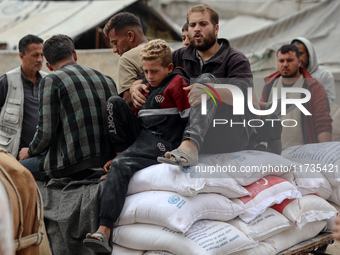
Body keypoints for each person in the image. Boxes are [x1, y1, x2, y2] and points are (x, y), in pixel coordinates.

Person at [83, 39, 191, 253]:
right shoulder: (145, 85)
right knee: (114, 102)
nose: (149, 77)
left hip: (163, 141)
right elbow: (132, 117)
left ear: (169, 68)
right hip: (142, 136)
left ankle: (104, 230)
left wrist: (184, 149)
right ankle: (121, 155)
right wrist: (136, 88)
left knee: (122, 165)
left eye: (154, 72)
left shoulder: (177, 83)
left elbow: (191, 120)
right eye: (146, 72)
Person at [131, 4, 256, 165]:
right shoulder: (177, 57)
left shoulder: (235, 59)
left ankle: (191, 145)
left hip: (228, 133)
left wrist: (211, 90)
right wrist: (135, 86)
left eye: (203, 24)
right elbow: (147, 76)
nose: (197, 29)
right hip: (182, 131)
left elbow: (244, 96)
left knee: (205, 82)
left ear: (216, 28)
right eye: (192, 25)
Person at [18, 34, 117, 181]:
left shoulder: (52, 80)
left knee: (13, 170)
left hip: (72, 163)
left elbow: (46, 133)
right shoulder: (107, 79)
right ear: (75, 55)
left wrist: (29, 151)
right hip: (107, 161)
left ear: (49, 66)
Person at [260, 44, 332, 150]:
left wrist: (324, 153)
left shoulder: (314, 88)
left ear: (299, 62)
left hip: (303, 154)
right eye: (281, 61)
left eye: (289, 60)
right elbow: (261, 118)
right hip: (273, 154)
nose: (285, 64)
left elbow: (323, 124)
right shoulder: (269, 86)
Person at [0, 34, 47, 158]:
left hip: (43, 154)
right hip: (12, 153)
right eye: (35, 55)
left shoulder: (48, 81)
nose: (40, 60)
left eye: (42, 55)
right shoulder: (7, 81)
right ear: (22, 56)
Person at [103, 12, 148, 106]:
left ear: (130, 36)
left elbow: (127, 102)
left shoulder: (127, 58)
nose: (114, 50)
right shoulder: (168, 50)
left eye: (115, 43)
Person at [291, 37, 336, 105]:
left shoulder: (324, 75)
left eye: (301, 53)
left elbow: (328, 104)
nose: (298, 58)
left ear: (309, 54)